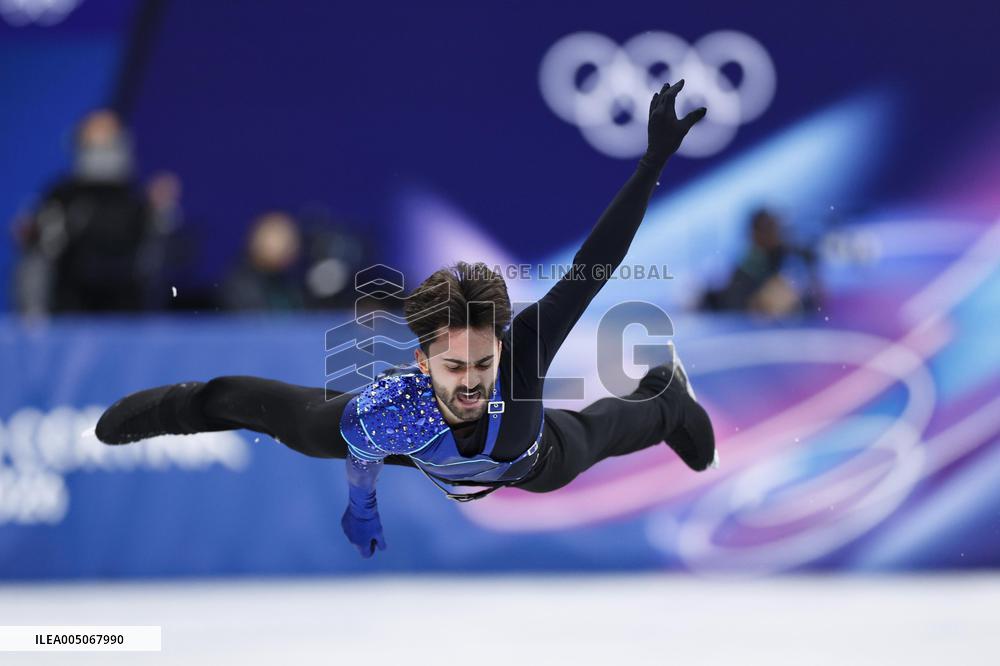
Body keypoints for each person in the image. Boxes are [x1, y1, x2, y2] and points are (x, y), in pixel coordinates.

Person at [95, 81, 717, 558]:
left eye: (482, 361)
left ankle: (670, 397)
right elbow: (361, 457)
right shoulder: (391, 409)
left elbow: (593, 266)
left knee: (607, 428)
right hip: (418, 441)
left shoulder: (519, 356)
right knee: (275, 413)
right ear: (421, 362)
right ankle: (174, 407)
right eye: (453, 366)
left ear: (501, 350)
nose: (471, 380)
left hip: (531, 457)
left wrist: (650, 165)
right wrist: (362, 509)